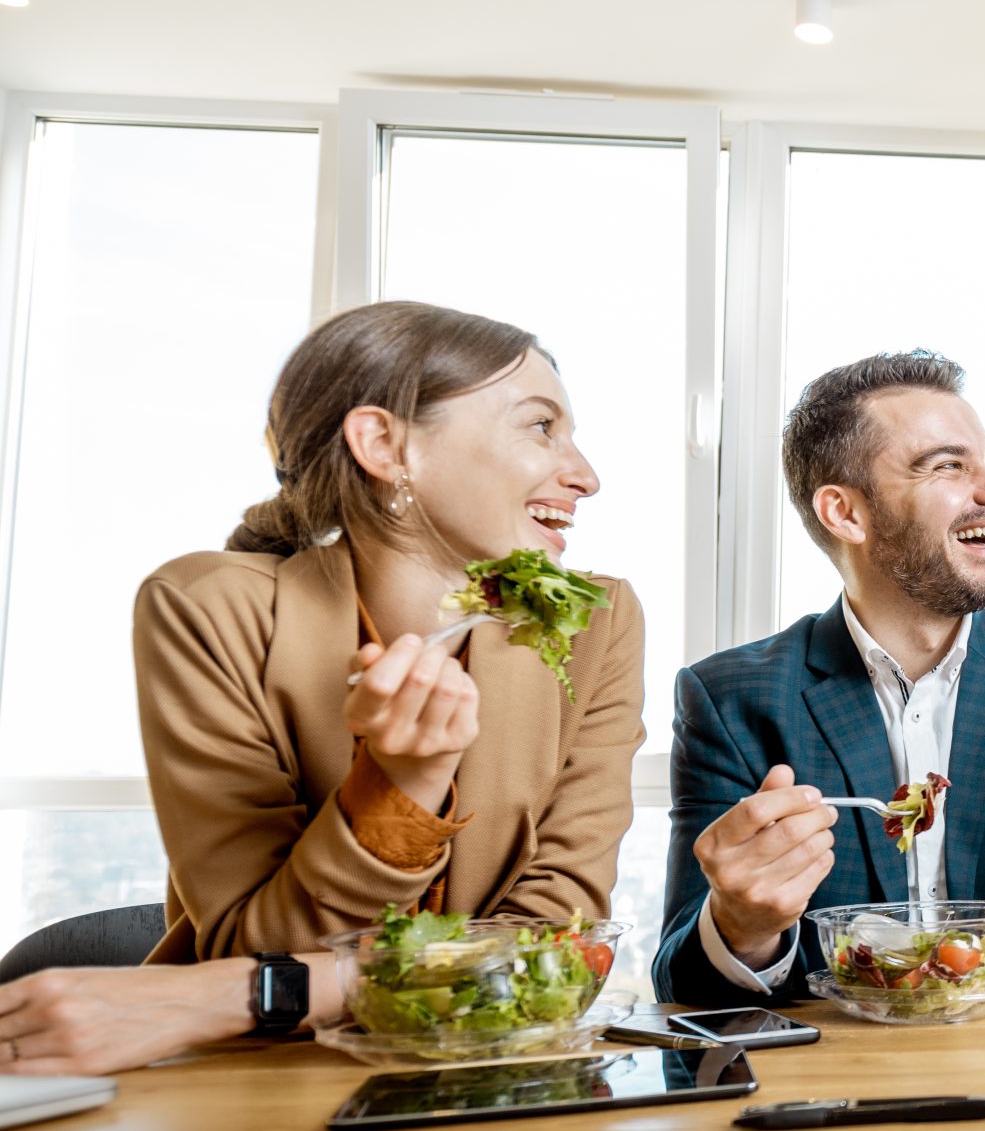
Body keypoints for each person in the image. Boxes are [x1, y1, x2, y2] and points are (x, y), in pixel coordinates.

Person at [0, 301, 644, 1076]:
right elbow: (257, 944)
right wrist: (397, 790)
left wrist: (226, 992)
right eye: (541, 427)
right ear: (384, 443)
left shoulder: (595, 623)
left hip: (499, 1080)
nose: (585, 475)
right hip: (257, 1087)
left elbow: (557, 953)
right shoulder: (208, 606)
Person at [653, 350, 985, 1006]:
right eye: (949, 465)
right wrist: (743, 928)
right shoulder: (729, 701)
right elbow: (682, 980)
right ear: (846, 513)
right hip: (835, 1087)